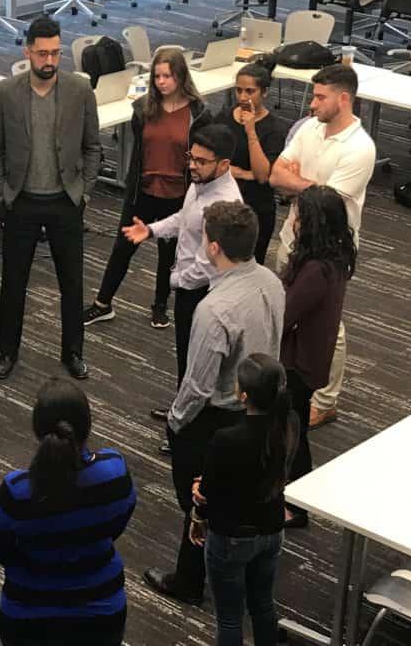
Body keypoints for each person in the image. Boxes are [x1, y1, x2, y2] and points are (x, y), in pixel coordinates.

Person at [129, 200, 284, 606]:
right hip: (263, 408)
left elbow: (197, 387)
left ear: (213, 248)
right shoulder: (271, 281)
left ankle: (190, 581)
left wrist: (176, 424)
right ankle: (217, 572)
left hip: (218, 418)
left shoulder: (213, 310)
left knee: (198, 500)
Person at [0, 15, 101, 381]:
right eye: (42, 54)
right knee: (13, 283)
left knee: (72, 283)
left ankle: (74, 352)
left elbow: (92, 147)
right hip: (21, 201)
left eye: (55, 53)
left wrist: (84, 193)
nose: (49, 61)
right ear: (27, 52)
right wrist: (3, 192)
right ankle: (7, 351)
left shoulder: (80, 90)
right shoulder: (7, 91)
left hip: (65, 201)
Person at [0, 378, 137, 646]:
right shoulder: (114, 471)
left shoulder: (16, 490)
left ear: (37, 429)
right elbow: (118, 523)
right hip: (101, 611)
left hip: (27, 614)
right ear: (86, 425)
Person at [270, 64, 376, 430]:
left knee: (330, 325)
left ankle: (326, 400)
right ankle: (289, 377)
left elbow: (324, 199)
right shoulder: (310, 128)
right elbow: (274, 175)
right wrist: (311, 186)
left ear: (343, 99)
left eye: (320, 97)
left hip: (328, 252)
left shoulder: (361, 148)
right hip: (292, 239)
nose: (311, 104)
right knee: (287, 310)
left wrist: (298, 181)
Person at [126, 124, 243, 446]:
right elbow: (183, 218)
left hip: (201, 292)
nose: (192, 165)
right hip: (189, 289)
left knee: (200, 365)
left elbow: (207, 266)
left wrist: (176, 280)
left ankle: (188, 431)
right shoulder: (200, 184)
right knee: (187, 360)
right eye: (192, 156)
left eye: (201, 161)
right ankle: (184, 409)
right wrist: (150, 230)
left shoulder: (224, 205)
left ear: (223, 165)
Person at [84, 47, 211, 330]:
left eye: (167, 76)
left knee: (169, 254)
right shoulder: (143, 109)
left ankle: (160, 305)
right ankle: (102, 303)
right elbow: (139, 151)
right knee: (123, 247)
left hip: (178, 193)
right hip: (143, 190)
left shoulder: (198, 114)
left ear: (180, 76)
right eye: (157, 76)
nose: (161, 82)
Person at [190, 354, 298, 646]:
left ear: (244, 395)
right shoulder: (290, 425)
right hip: (273, 529)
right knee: (263, 604)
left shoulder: (226, 439)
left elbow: (207, 492)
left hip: (231, 537)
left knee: (229, 617)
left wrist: (198, 505)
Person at [279, 185, 356, 528]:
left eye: (298, 216)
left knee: (293, 434)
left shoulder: (315, 270)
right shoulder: (334, 259)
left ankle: (296, 507)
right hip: (310, 358)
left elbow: (285, 315)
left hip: (298, 363)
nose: (292, 222)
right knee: (292, 430)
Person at [213, 63, 290, 265]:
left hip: (256, 207)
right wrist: (240, 172)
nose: (243, 97)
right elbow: (209, 158)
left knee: (248, 267)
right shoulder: (224, 117)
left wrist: (250, 131)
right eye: (239, 90)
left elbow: (263, 175)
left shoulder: (274, 128)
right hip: (223, 202)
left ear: (264, 92)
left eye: (250, 91)